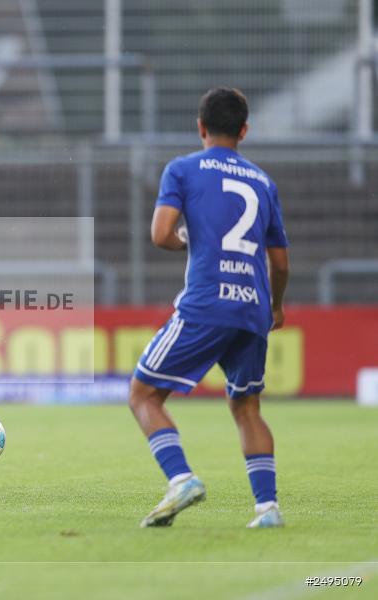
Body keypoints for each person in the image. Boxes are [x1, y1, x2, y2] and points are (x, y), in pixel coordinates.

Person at [129, 88, 290, 528]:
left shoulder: (183, 169)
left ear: (200, 127)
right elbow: (280, 262)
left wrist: (186, 238)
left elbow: (161, 234)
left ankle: (181, 478)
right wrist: (275, 307)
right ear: (244, 131)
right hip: (253, 309)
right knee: (247, 408)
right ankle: (267, 508)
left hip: (206, 304)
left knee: (143, 394)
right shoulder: (263, 181)